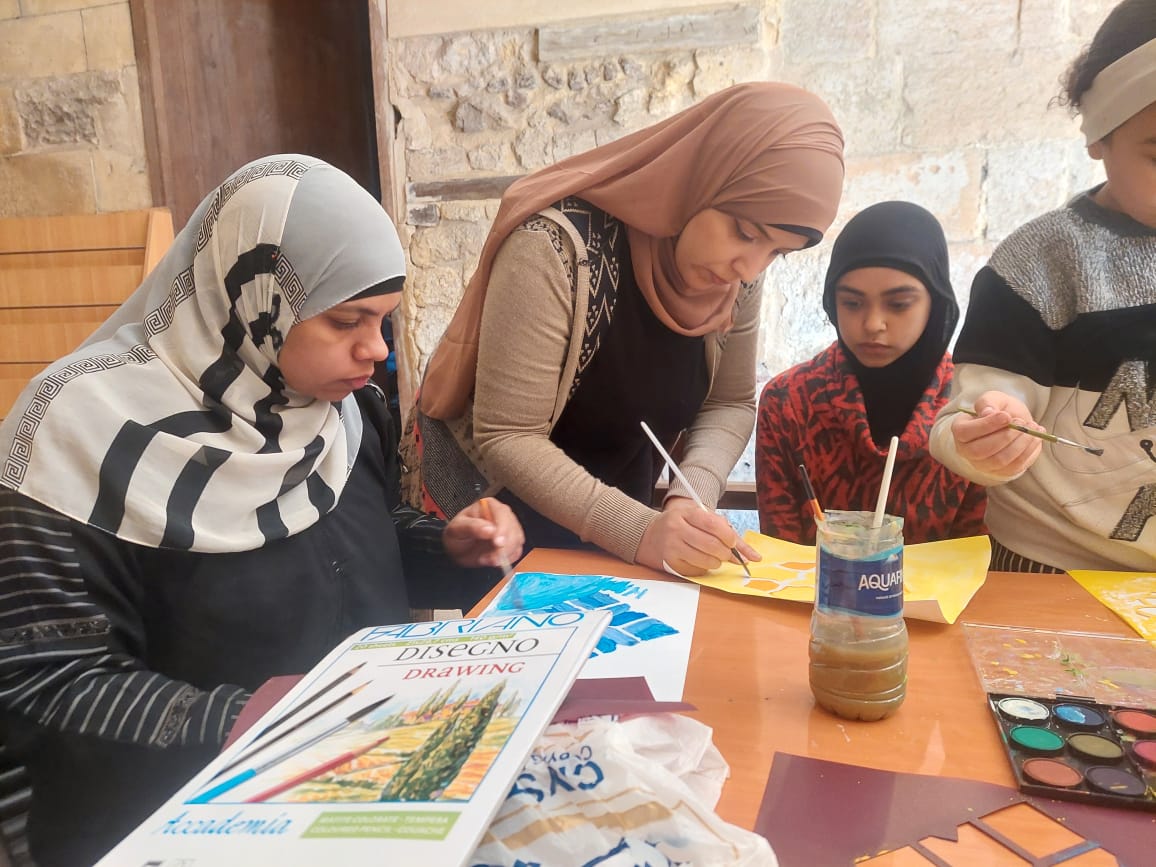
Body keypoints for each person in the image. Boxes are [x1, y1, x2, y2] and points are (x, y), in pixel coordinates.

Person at [0, 155, 523, 866]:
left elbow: (333, 542)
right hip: (188, 816)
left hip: (360, 781)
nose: (377, 350)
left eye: (384, 320)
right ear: (257, 301)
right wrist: (257, 720)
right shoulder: (74, 439)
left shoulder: (338, 409)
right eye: (347, 320)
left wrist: (445, 548)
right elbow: (50, 681)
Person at [410, 82, 845, 577]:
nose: (749, 267)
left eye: (777, 253)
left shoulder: (738, 278)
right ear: (704, 179)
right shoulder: (555, 249)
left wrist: (690, 497)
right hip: (501, 536)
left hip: (623, 546)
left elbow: (729, 402)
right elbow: (510, 434)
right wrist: (639, 531)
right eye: (745, 233)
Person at [929, 0, 1156, 572]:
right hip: (1054, 567)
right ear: (1099, 134)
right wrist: (988, 436)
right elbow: (959, 424)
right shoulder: (1040, 262)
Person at [756, 201, 986, 544]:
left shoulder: (971, 410)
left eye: (898, 304)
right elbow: (782, 552)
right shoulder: (789, 402)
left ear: (935, 304)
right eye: (852, 303)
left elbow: (974, 554)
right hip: (812, 581)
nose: (873, 324)